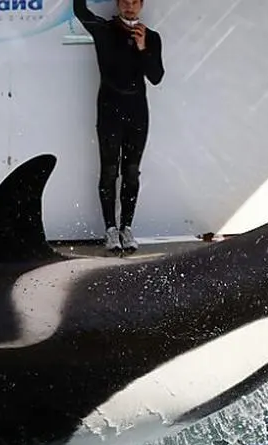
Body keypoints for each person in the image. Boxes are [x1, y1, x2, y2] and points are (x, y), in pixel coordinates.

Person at [73, 0, 164, 254]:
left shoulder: (151, 37)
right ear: (117, 3)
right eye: (124, 1)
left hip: (137, 112)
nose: (129, 6)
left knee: (132, 171)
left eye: (134, 1)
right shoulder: (104, 30)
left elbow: (156, 77)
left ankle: (127, 227)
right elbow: (80, 11)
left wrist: (143, 48)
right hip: (109, 110)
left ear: (141, 5)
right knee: (109, 170)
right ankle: (110, 229)